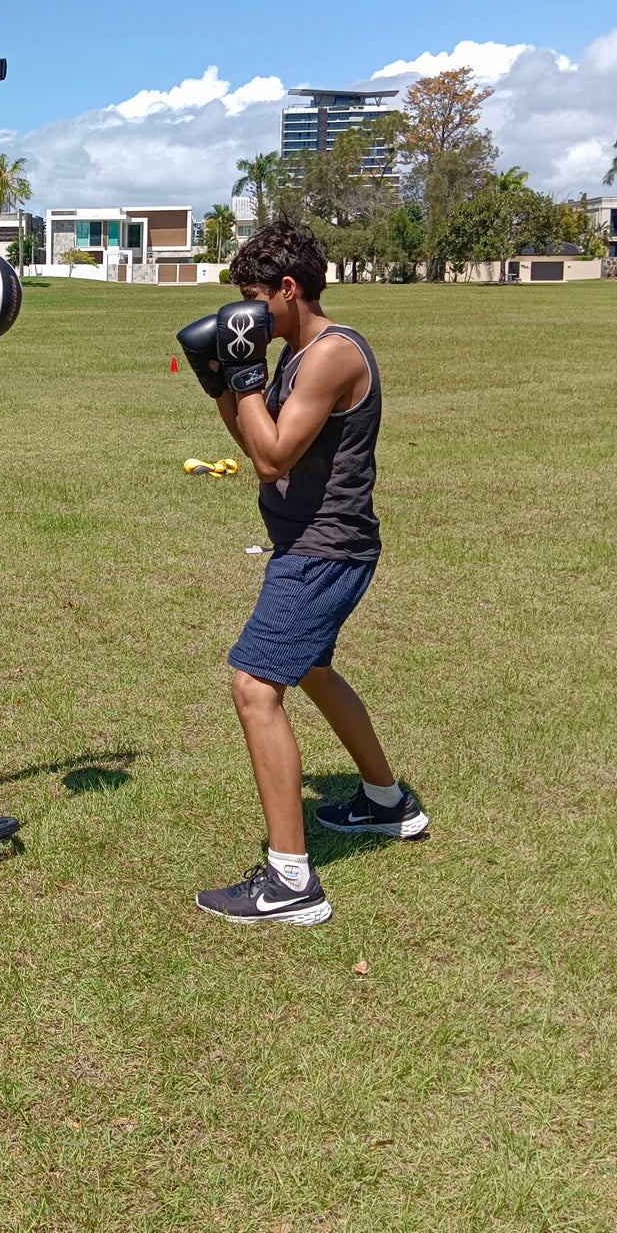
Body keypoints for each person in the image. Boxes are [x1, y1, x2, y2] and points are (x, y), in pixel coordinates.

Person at [176, 218, 428, 928]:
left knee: (254, 686)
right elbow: (254, 440)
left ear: (287, 289)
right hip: (307, 546)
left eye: (254, 297)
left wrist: (245, 371)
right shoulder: (291, 352)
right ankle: (386, 803)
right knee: (312, 670)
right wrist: (223, 385)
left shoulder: (328, 356)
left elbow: (271, 458)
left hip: (323, 550)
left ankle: (290, 882)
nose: (247, 313)